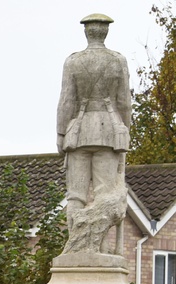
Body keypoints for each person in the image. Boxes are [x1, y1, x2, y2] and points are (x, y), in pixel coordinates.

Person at [56, 13, 132, 256]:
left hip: (77, 133)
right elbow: (124, 103)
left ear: (86, 32)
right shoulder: (118, 60)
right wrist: (125, 132)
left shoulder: (73, 62)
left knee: (75, 195)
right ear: (105, 32)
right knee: (105, 195)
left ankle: (76, 248)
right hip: (109, 132)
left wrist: (60, 133)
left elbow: (66, 102)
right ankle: (101, 247)